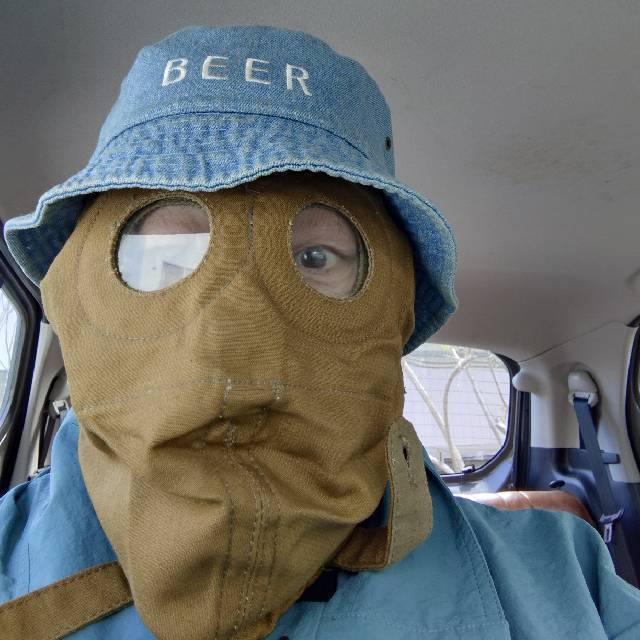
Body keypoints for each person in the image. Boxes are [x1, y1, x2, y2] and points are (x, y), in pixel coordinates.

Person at [0, 25, 639, 640]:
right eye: (162, 261)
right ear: (80, 293)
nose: (227, 345)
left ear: (393, 305)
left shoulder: (567, 583)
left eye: (313, 258)